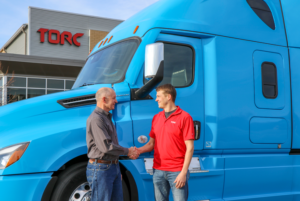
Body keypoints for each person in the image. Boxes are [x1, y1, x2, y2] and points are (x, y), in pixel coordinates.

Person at [137, 84, 195, 201]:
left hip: (177, 171)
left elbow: (190, 148)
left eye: (158, 96)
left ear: (168, 97)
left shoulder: (185, 117)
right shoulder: (156, 118)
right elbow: (151, 144)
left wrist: (183, 173)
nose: (156, 99)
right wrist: (137, 151)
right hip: (158, 170)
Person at [86, 87, 139, 201]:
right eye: (114, 98)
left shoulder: (106, 117)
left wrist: (115, 169)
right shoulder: (96, 119)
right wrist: (128, 151)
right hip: (101, 169)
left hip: (110, 167)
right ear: (104, 99)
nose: (116, 101)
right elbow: (106, 147)